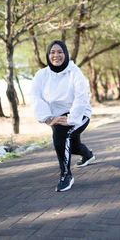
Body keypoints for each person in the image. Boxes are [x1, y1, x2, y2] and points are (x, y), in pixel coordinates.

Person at [31, 40, 95, 192]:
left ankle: (66, 174)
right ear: (48, 55)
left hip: (80, 114)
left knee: (61, 134)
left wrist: (71, 119)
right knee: (71, 145)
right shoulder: (42, 75)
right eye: (52, 52)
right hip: (56, 116)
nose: (56, 55)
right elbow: (35, 97)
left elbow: (81, 97)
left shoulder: (75, 72)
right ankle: (87, 154)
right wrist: (48, 118)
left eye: (60, 52)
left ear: (65, 54)